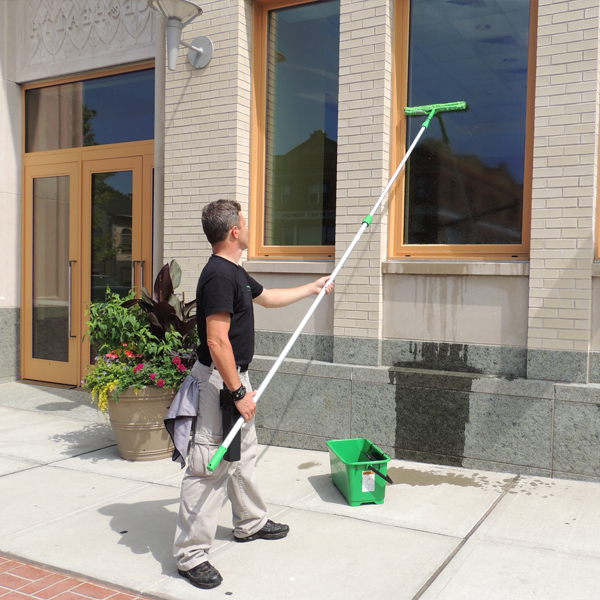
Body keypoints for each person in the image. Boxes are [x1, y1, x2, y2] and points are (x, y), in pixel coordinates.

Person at [172, 199, 334, 589]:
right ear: (234, 232)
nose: (248, 227)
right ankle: (190, 555)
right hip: (219, 382)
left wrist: (312, 288)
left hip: (232, 378)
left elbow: (269, 296)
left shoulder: (236, 273)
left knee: (242, 459)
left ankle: (250, 523)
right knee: (208, 465)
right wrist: (238, 391)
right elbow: (216, 340)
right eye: (244, 223)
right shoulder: (218, 277)